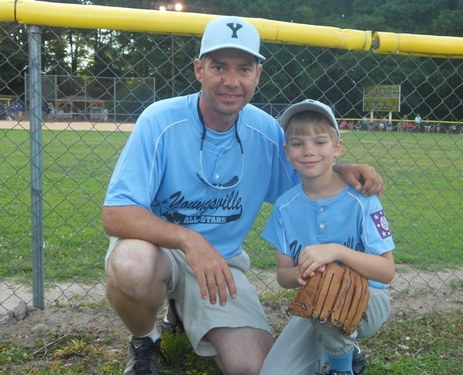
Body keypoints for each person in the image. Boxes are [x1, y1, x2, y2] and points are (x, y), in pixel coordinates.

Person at [102, 16, 384, 375]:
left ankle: (184, 314)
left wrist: (341, 170)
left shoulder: (265, 132)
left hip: (222, 265)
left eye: (244, 68)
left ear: (258, 75)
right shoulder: (160, 121)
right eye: (219, 66)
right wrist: (191, 241)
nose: (231, 81)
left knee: (253, 368)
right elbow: (116, 213)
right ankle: (146, 340)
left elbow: (308, 189)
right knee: (132, 265)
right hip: (161, 251)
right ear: (199, 69)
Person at [260, 100, 395, 375]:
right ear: (287, 152)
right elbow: (283, 276)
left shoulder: (362, 200)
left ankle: (341, 367)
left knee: (331, 281)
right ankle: (343, 346)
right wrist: (301, 273)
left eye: (320, 141)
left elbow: (387, 271)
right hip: (316, 307)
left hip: (368, 301)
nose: (309, 150)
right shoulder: (285, 207)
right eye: (298, 143)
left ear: (337, 148)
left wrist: (337, 251)